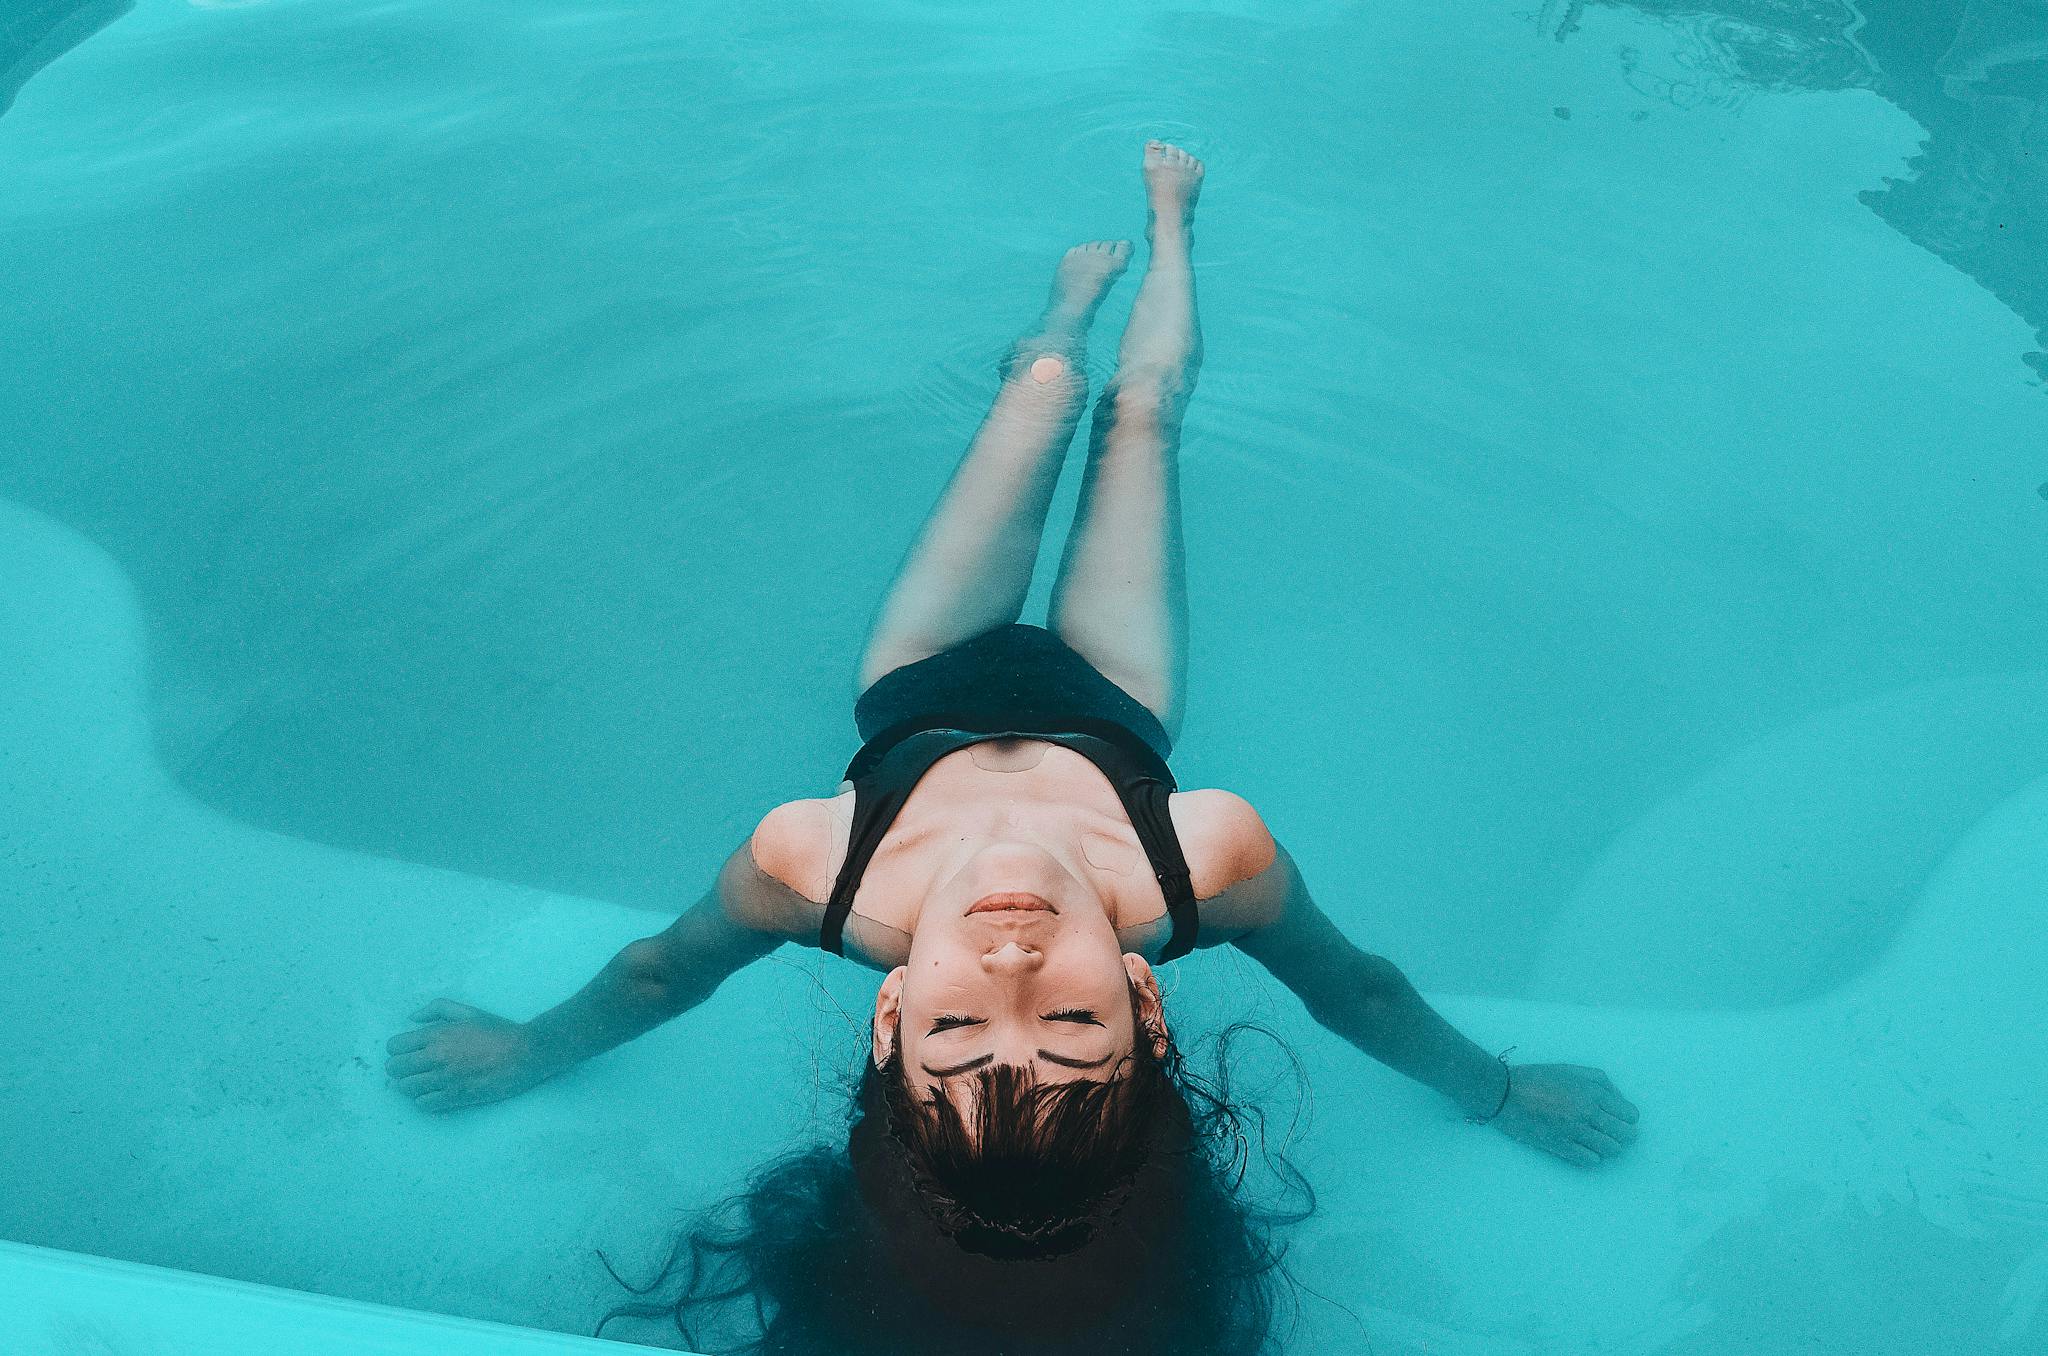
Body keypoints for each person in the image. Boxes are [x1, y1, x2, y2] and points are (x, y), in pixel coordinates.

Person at [385, 145, 1640, 1340]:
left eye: (957, 1033)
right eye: (1071, 1027)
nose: (1009, 971)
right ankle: (1163, 239)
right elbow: (1355, 984)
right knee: (1139, 414)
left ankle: (1060, 314)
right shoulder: (1199, 857)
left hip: (922, 680)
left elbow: (664, 970)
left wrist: (529, 1046)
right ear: (1143, 1006)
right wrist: (1499, 1091)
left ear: (889, 1026)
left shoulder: (819, 865)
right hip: (1114, 694)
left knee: (1040, 395)